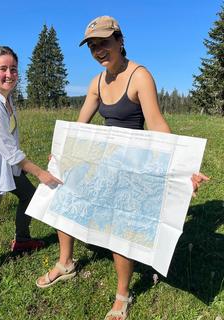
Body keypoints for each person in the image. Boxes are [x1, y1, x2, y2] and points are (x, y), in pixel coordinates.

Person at [36, 16, 209, 320]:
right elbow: (80, 127)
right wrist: (63, 153)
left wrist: (185, 170)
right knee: (65, 191)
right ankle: (66, 262)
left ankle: (123, 294)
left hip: (132, 165)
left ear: (119, 40)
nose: (98, 51)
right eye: (92, 46)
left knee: (121, 225)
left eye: (103, 43)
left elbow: (156, 124)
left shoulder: (139, 76)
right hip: (104, 159)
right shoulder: (97, 82)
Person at [0, 45, 62, 289]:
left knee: (29, 196)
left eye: (13, 69)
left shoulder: (5, 99)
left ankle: (22, 240)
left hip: (6, 169)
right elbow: (10, 152)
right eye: (3, 69)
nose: (9, 74)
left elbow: (9, 147)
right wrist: (41, 173)